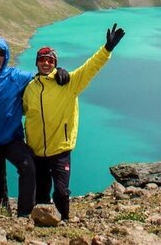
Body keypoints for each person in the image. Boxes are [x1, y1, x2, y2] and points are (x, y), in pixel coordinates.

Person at [22, 23, 126, 221]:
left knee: (61, 192)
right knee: (41, 194)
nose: (46, 63)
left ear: (55, 63)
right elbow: (23, 111)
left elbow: (89, 68)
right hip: (37, 152)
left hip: (60, 150)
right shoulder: (30, 89)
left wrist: (107, 50)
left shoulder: (68, 83)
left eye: (50, 60)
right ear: (36, 63)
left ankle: (65, 223)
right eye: (42, 60)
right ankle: (44, 228)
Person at [0, 37, 69, 217]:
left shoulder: (17, 76)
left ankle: (24, 212)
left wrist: (58, 72)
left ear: (6, 56)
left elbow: (41, 76)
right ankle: (2, 209)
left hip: (11, 139)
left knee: (28, 167)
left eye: (1, 53)